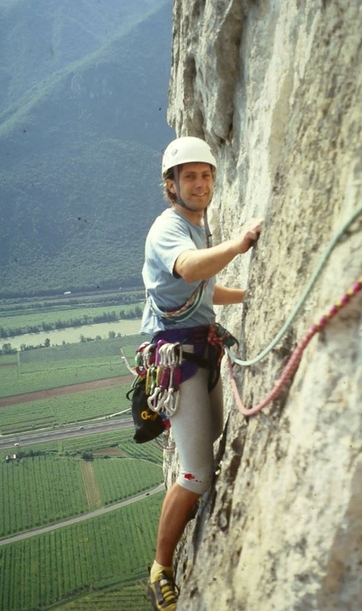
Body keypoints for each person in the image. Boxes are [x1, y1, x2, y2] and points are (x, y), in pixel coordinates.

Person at [142, 136, 263, 611]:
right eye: (189, 176)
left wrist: (251, 296)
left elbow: (206, 291)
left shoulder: (196, 226)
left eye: (206, 175)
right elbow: (190, 271)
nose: (200, 184)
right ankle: (161, 567)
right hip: (179, 361)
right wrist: (238, 245)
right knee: (195, 475)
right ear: (171, 186)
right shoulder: (169, 230)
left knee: (211, 434)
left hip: (199, 353)